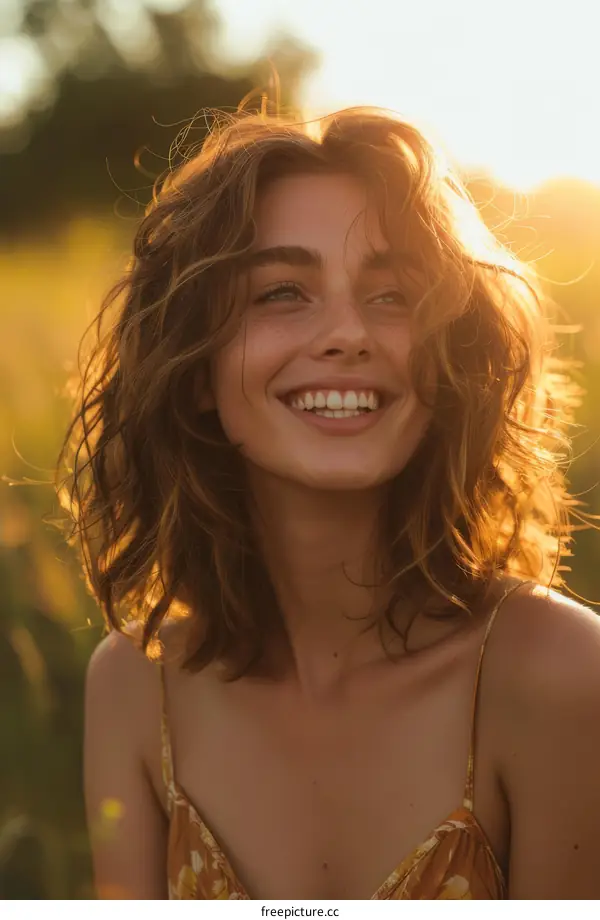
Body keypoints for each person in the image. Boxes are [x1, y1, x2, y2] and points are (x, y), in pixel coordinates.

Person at [56, 104, 600, 900]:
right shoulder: (137, 687)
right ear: (197, 366)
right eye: (281, 292)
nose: (348, 333)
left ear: (448, 362)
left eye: (393, 296)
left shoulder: (558, 674)